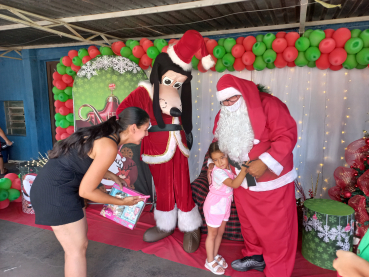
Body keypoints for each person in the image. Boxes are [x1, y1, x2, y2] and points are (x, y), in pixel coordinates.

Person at [115, 30, 214, 253]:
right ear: (159, 73)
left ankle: (190, 225)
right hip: (156, 147)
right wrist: (144, 127)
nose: (174, 84)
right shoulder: (145, 92)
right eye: (170, 79)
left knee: (182, 184)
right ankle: (166, 224)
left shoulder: (179, 92)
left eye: (179, 81)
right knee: (163, 186)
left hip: (179, 144)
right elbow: (122, 112)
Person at [30, 107, 150, 277]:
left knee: (78, 246)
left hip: (61, 188)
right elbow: (87, 191)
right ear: (133, 128)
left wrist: (110, 174)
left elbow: (82, 159)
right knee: (76, 251)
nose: (146, 134)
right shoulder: (109, 145)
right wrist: (122, 202)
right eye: (145, 130)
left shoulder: (105, 136)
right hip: (55, 193)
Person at [208, 74, 298, 277]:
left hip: (270, 182)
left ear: (243, 94)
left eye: (232, 99)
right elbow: (217, 141)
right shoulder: (224, 112)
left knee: (276, 229)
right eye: (224, 101)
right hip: (241, 180)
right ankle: (255, 256)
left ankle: (279, 271)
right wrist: (211, 164)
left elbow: (287, 135)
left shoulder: (270, 104)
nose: (228, 104)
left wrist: (265, 162)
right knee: (248, 223)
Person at [204, 141, 248, 275]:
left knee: (220, 233)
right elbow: (234, 184)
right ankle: (209, 261)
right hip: (214, 206)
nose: (220, 162)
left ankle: (214, 254)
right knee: (212, 234)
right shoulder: (218, 172)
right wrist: (245, 169)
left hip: (224, 206)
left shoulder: (229, 167)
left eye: (222, 157)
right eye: (215, 160)